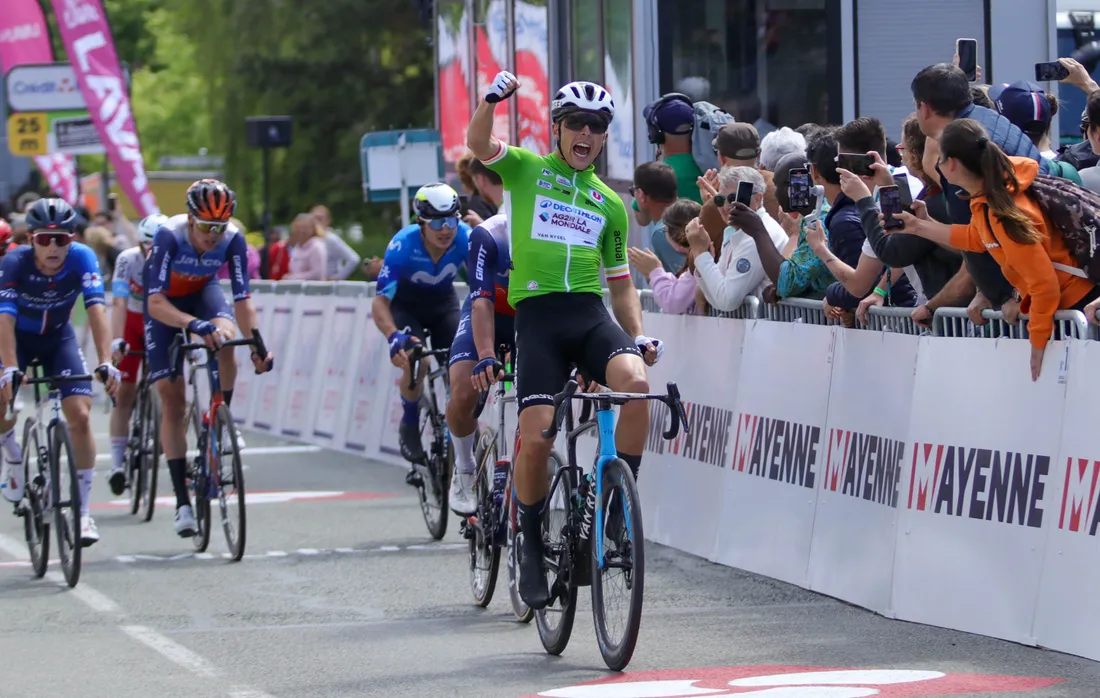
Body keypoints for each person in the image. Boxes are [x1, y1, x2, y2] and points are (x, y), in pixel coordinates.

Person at [467, 71, 662, 610]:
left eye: (596, 126)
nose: (586, 134)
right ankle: (528, 544)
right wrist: (491, 101)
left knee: (637, 386)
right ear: (557, 128)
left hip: (588, 312)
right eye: (575, 123)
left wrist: (639, 337)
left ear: (603, 137)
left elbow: (621, 286)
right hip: (538, 318)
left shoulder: (609, 203)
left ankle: (616, 513)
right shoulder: (528, 170)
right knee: (538, 438)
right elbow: (478, 145)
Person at [896, 119, 1100, 381]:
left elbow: (1044, 286)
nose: (936, 164)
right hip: (1068, 313)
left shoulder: (1003, 213)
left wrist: (1037, 344)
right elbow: (975, 237)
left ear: (953, 163)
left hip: (1074, 313)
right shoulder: (990, 201)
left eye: (939, 157)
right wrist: (917, 226)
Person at [144, 179, 273, 538]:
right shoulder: (169, 236)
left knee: (226, 338)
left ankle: (219, 418)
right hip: (166, 305)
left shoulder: (232, 239)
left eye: (219, 226)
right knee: (172, 399)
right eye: (205, 227)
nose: (212, 235)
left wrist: (258, 345)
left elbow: (243, 298)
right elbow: (154, 303)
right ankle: (183, 504)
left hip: (203, 292)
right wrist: (194, 325)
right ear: (190, 219)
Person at [0, 198, 120, 546]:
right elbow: (4, 320)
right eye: (44, 239)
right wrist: (8, 368)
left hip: (58, 339)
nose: (53, 247)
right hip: (18, 341)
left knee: (80, 417)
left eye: (61, 240)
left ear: (72, 239)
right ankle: (10, 454)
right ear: (31, 239)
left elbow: (97, 310)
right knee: (2, 397)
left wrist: (105, 359)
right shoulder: (13, 262)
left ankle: (82, 513)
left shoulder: (83, 257)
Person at [372, 183, 471, 472]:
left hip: (444, 306)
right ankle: (410, 423)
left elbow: (482, 289)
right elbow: (379, 303)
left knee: (460, 366)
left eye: (452, 221)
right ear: (421, 224)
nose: (446, 230)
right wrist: (393, 337)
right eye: (437, 223)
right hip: (406, 307)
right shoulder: (403, 245)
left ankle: (457, 424)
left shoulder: (465, 238)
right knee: (419, 360)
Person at [445, 213, 514, 515]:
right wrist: (486, 353)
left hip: (529, 321)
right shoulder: (491, 234)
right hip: (484, 313)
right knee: (462, 392)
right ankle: (464, 467)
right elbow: (481, 300)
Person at [107, 213, 168, 494]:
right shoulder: (127, 259)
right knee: (125, 395)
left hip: (160, 322)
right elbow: (119, 302)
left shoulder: (174, 257)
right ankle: (117, 465)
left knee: (170, 388)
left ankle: (165, 432)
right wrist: (118, 340)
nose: (151, 252)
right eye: (147, 245)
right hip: (132, 322)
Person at [283, 214, 329, 281]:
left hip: (313, 290)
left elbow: (317, 274)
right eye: (299, 227)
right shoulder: (298, 247)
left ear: (313, 229)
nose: (301, 230)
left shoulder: (316, 247)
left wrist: (294, 277)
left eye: (305, 228)